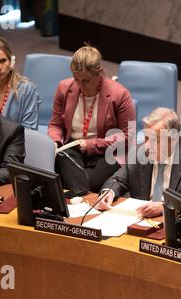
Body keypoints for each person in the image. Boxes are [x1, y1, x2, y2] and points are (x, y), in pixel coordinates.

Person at [48, 44, 135, 194]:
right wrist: (55, 141)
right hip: (73, 148)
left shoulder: (120, 94)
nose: (80, 85)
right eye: (76, 79)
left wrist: (91, 144)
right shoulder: (64, 88)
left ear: (99, 73)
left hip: (107, 152)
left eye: (86, 81)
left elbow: (127, 135)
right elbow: (56, 124)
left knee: (82, 183)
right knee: (67, 172)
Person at [95, 108, 181, 218]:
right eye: (146, 138)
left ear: (174, 139)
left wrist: (164, 207)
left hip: (180, 221)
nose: (147, 146)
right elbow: (118, 180)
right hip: (142, 220)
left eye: (155, 140)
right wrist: (109, 192)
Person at [0, 36, 40, 130]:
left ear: (11, 62)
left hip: (17, 142)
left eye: (3, 61)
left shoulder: (27, 89)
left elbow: (30, 129)